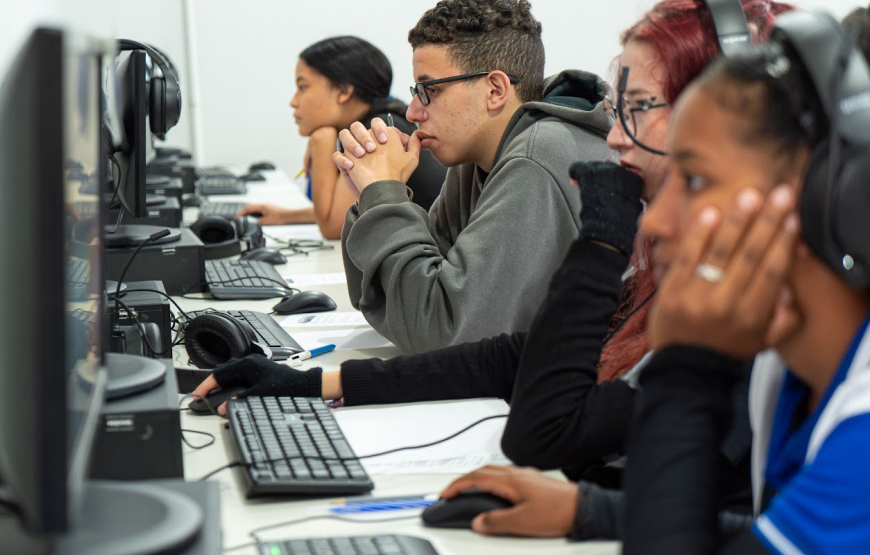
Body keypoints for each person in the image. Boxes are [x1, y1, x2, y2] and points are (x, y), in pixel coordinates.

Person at [193, 0, 790, 541]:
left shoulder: (542, 156)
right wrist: (324, 384)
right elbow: (474, 336)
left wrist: (382, 198)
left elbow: (451, 328)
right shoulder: (488, 161)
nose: (613, 139)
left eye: (636, 109)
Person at [622, 16, 870, 554]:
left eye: (696, 180)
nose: (654, 224)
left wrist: (687, 368)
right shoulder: (783, 368)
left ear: (844, 198)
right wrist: (589, 510)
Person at [332, 0, 615, 354]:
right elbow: (398, 302)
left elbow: (443, 336)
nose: (413, 112)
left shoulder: (537, 157)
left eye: (429, 90)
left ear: (495, 90)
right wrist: (370, 200)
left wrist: (384, 196)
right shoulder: (476, 155)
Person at [236, 36, 445, 239]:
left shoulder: (375, 132)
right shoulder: (382, 119)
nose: (293, 101)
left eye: (303, 87)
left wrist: (322, 138)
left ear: (343, 91)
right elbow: (355, 209)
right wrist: (284, 216)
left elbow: (333, 228)